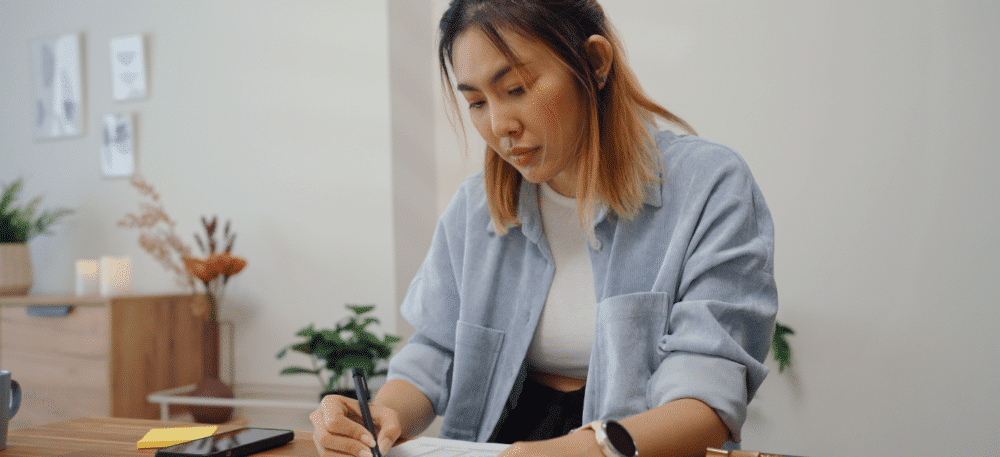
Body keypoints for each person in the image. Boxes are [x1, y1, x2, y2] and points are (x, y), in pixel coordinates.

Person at [310, 1, 777, 456]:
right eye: (475, 101)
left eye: (516, 89)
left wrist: (579, 449)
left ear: (594, 62)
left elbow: (705, 401)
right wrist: (382, 414)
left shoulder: (708, 186)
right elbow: (435, 352)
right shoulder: (476, 209)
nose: (498, 126)